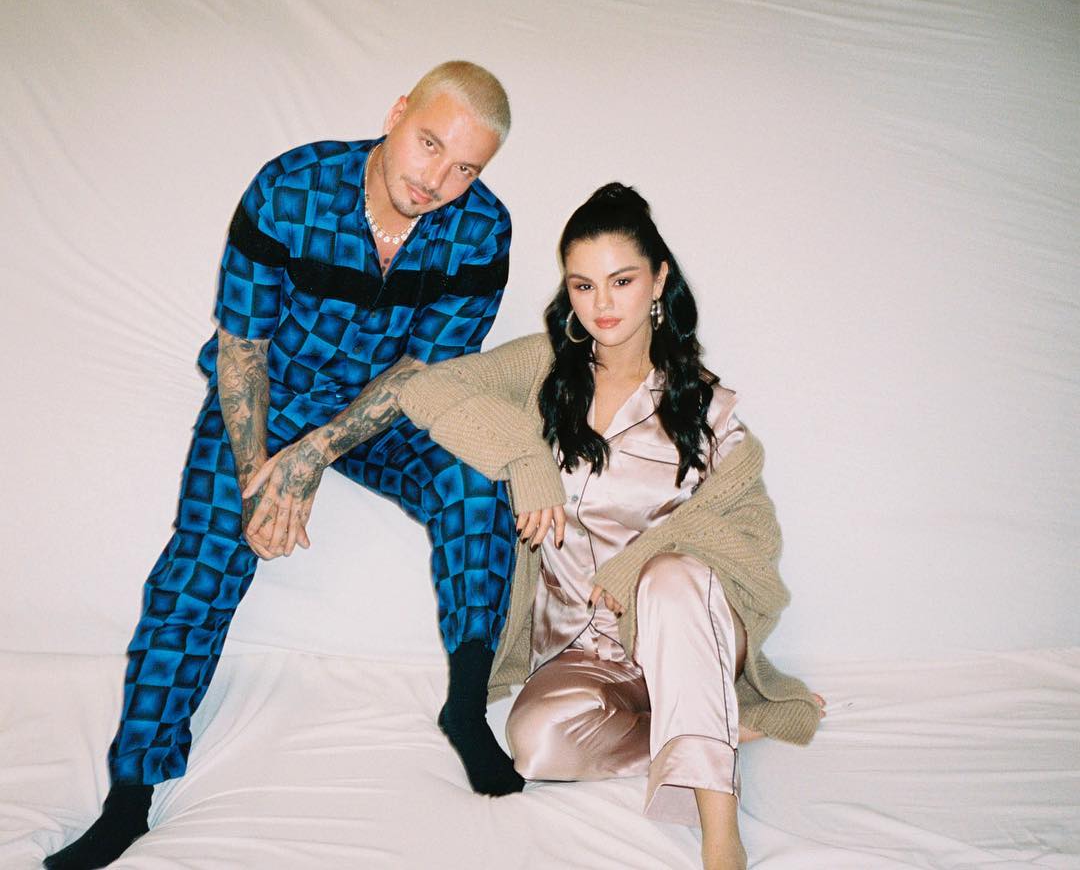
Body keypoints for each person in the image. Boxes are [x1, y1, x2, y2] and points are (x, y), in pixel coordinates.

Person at [45, 61, 524, 870]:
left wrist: (317, 454)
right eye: (429, 144)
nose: (437, 179)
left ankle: (467, 708)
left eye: (465, 168)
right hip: (270, 395)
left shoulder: (483, 230)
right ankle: (130, 795)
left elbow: (422, 374)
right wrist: (260, 475)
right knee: (200, 565)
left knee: (480, 484)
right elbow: (243, 348)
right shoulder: (289, 188)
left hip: (383, 408)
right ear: (397, 113)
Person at [396, 183, 824, 870]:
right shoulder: (545, 370)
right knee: (537, 746)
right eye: (583, 285)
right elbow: (423, 387)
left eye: (621, 281)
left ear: (658, 280)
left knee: (672, 580)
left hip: (687, 626)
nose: (602, 304)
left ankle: (721, 831)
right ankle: (709, 725)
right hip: (584, 651)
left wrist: (641, 561)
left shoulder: (706, 410)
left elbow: (751, 544)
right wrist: (526, 458)